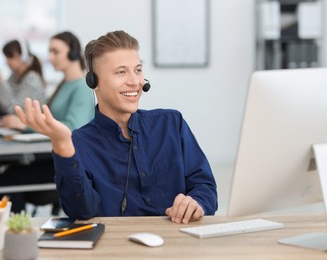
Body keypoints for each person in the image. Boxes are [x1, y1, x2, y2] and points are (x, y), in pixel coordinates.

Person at [15, 30, 218, 224]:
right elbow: (81, 211)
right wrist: (62, 144)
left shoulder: (171, 124)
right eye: (121, 72)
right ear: (93, 82)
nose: (135, 82)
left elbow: (205, 186)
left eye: (138, 70)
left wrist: (197, 202)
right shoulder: (80, 142)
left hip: (176, 244)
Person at [0, 31, 95, 213]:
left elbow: (71, 129)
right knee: (5, 171)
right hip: (53, 157)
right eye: (49, 51)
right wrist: (24, 122)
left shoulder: (81, 87)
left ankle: (17, 234)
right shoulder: (65, 83)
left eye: (55, 52)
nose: (50, 57)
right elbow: (51, 119)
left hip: (68, 164)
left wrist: (24, 125)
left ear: (73, 52)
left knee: (8, 178)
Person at [0, 39, 46, 190]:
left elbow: (13, 108)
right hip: (17, 135)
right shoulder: (15, 76)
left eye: (10, 57)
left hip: (28, 144)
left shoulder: (31, 78)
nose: (7, 62)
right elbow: (2, 105)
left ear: (22, 56)